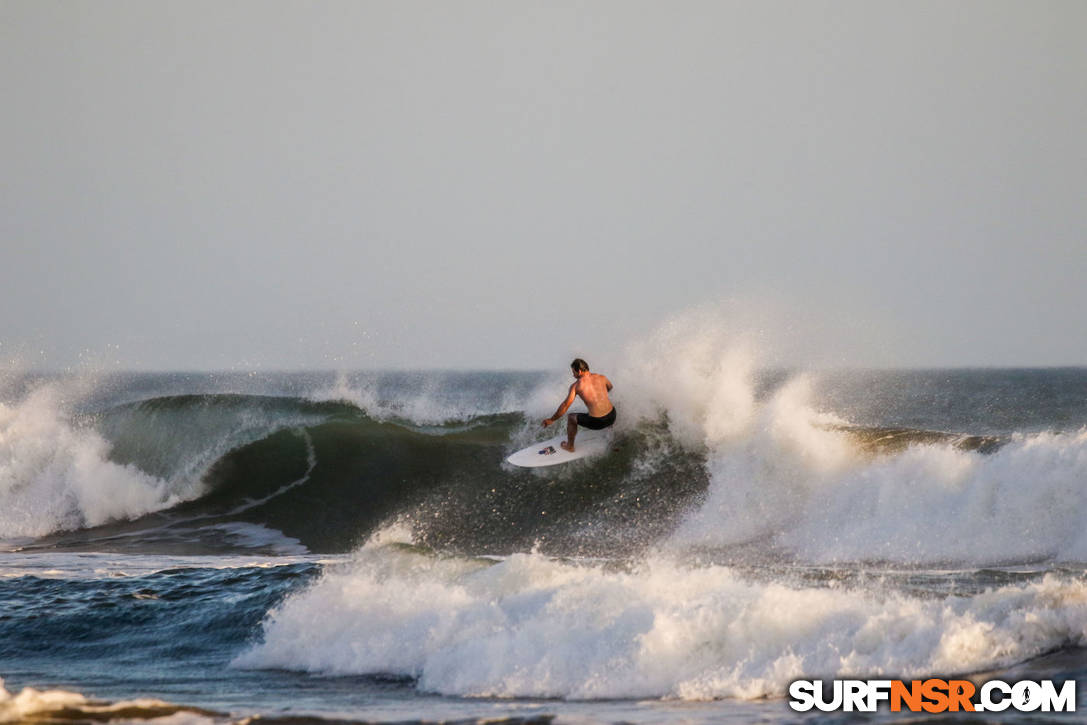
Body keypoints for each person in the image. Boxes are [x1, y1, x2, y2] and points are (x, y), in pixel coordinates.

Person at [542, 358, 616, 452]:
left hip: (598, 422)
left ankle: (570, 446)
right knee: (607, 409)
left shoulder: (576, 386)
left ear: (580, 371)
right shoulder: (602, 377)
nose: (573, 375)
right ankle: (612, 438)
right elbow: (610, 388)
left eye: (573, 372)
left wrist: (551, 419)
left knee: (571, 417)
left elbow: (565, 406)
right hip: (612, 416)